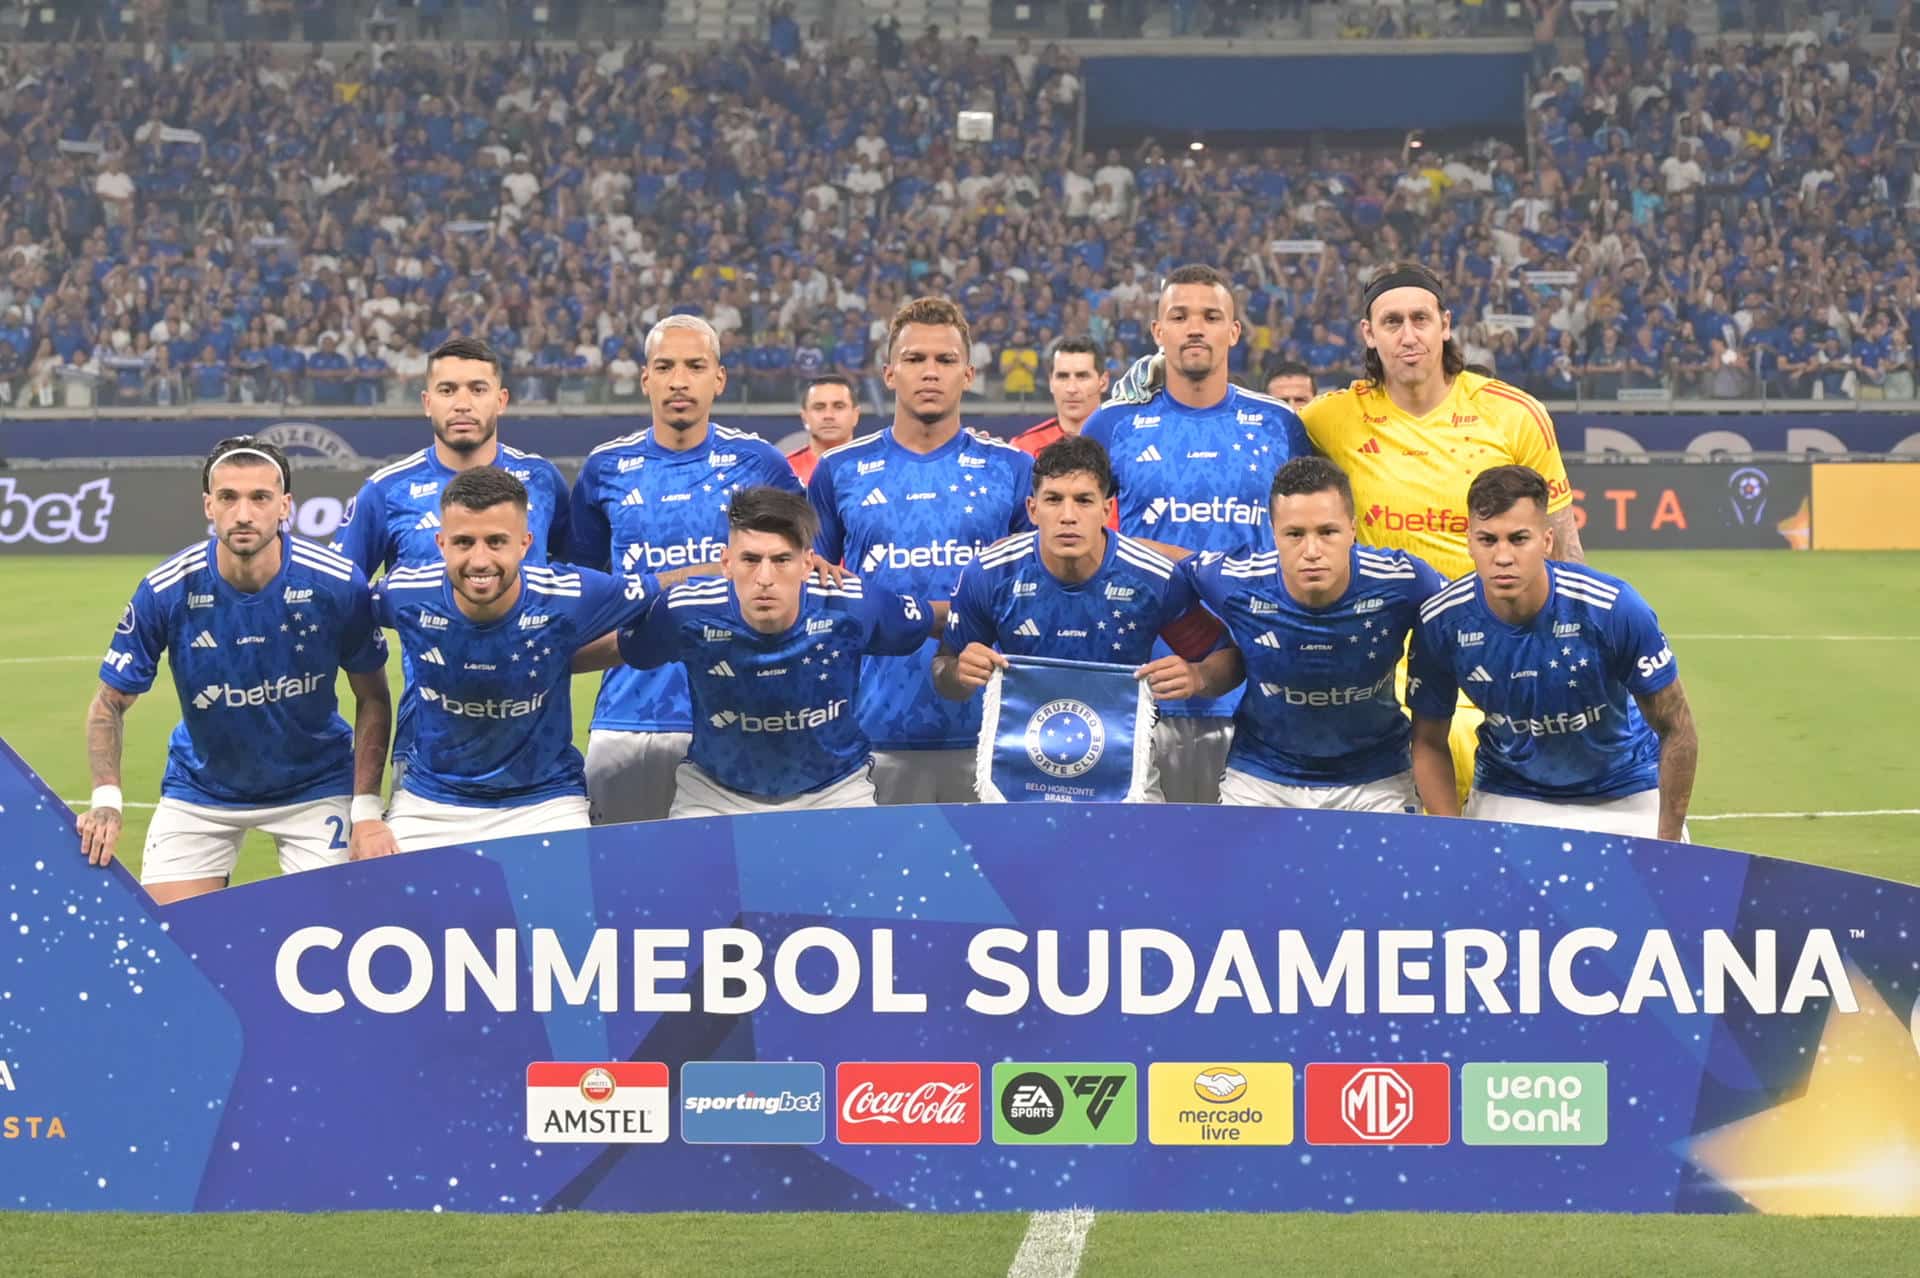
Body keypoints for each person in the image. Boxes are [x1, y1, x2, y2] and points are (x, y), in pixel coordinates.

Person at [1294, 261, 1584, 803]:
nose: (1409, 336)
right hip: (1385, 664)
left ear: (1445, 324)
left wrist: (1574, 654)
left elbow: (1564, 551)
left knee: (1512, 824)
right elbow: (1260, 433)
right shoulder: (1329, 419)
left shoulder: (1514, 415)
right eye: (1392, 322)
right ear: (1369, 334)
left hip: (1498, 650)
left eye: (1421, 319)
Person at [77, 437, 395, 902]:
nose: (243, 513)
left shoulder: (336, 583)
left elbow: (373, 696)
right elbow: (109, 702)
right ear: (209, 505)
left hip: (316, 785)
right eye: (228, 498)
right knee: (170, 940)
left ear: (285, 505)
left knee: (338, 930)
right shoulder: (167, 589)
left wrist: (366, 808)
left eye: (260, 498)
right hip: (202, 790)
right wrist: (106, 801)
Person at [1081, 263, 1315, 804]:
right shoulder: (1112, 425)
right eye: (1179, 316)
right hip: (1139, 683)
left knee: (1245, 866)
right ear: (1157, 332)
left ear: (1233, 332)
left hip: (1259, 685)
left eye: (1211, 316)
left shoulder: (1279, 424)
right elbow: (1063, 524)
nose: (1195, 328)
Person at [580, 488, 945, 817]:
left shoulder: (854, 605)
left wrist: (987, 615)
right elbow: (622, 649)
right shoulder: (685, 611)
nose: (765, 578)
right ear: (726, 563)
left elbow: (939, 618)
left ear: (807, 564)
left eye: (782, 560)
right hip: (713, 794)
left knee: (860, 893)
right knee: (697, 890)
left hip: (835, 790)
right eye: (750, 560)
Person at [568, 315, 802, 825]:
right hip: (627, 719)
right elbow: (580, 597)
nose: (679, 380)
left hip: (739, 716)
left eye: (695, 366)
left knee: (734, 890)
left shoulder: (760, 464)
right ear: (645, 379)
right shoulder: (604, 468)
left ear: (718, 378)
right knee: (619, 888)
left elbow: (798, 584)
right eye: (664, 366)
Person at [807, 296, 1035, 805]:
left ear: (968, 374)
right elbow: (810, 597)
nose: (929, 372)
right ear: (889, 373)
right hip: (870, 733)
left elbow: (1034, 596)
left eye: (945, 360)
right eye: (914, 359)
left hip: (993, 734)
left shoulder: (1013, 470)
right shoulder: (837, 472)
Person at [932, 435, 1239, 798]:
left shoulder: (1152, 579)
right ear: (1032, 509)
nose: (1067, 515)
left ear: (1107, 509)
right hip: (1017, 777)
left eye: (1083, 500)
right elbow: (943, 671)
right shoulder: (991, 574)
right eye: (1053, 499)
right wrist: (959, 673)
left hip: (1127, 778)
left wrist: (1199, 674)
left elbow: (1228, 661)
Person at [372, 469, 659, 852]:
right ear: (441, 544)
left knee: (568, 911)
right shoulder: (405, 593)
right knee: (398, 910)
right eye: (463, 542)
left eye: (496, 542)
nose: (479, 560)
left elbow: (666, 590)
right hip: (430, 804)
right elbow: (335, 613)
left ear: (525, 544)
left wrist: (736, 577)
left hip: (546, 801)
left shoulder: (569, 594)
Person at [1408, 466, 1698, 840]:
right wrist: (1454, 836)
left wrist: (1669, 841)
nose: (1502, 556)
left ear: (1547, 541)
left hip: (1625, 788)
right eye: (1488, 540)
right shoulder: (1442, 620)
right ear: (1469, 542)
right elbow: (1428, 741)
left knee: (1657, 896)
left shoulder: (1613, 608)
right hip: (1510, 790)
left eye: (1518, 539)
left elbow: (1678, 728)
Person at [329, 336, 570, 783]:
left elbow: (577, 588)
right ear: (426, 402)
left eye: (477, 390)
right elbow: (340, 598)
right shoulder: (385, 491)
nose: (462, 403)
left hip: (539, 751)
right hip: (426, 746)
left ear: (501, 400)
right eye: (448, 390)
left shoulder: (541, 481)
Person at [1185, 457, 1448, 811]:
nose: (1311, 552)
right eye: (1295, 534)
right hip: (1261, 777)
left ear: (1353, 529)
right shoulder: (1239, 580)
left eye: (1328, 532)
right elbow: (1165, 567)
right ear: (1273, 532)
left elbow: (1465, 611)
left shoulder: (1404, 581)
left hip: (1376, 777)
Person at [1010, 336, 1111, 456]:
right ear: (1051, 382)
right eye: (1062, 377)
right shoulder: (1024, 449)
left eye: (1082, 376)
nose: (1071, 389)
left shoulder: (1129, 444)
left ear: (1103, 382)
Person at [786, 373, 860, 484]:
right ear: (804, 417)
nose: (828, 415)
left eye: (839, 406)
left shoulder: (880, 467)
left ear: (856, 415)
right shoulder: (785, 471)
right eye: (819, 408)